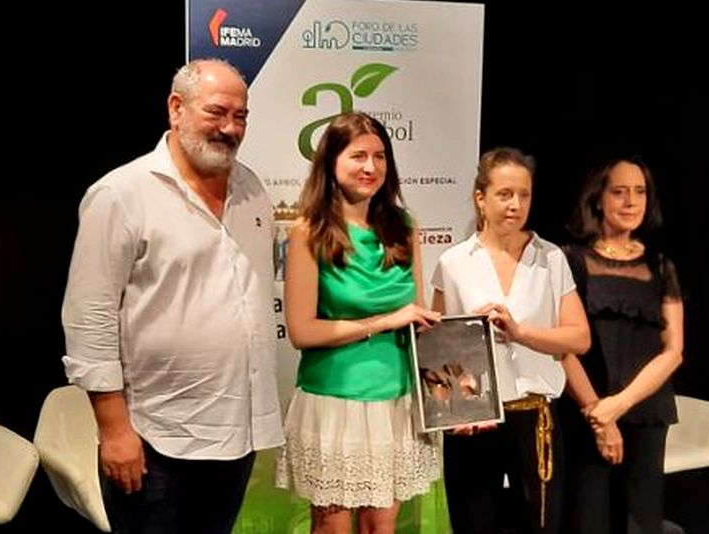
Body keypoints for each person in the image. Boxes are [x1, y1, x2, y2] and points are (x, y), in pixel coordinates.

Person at [61, 59, 283, 534]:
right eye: (216, 112)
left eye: (240, 116)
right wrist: (114, 431)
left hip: (236, 436)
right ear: (176, 108)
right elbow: (89, 317)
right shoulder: (121, 194)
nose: (229, 128)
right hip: (155, 439)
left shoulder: (252, 189)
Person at [274, 111, 441, 534]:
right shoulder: (308, 232)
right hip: (334, 402)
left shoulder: (404, 227)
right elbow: (302, 331)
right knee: (332, 528)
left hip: (396, 401)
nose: (371, 167)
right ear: (331, 162)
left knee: (380, 527)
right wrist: (385, 321)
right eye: (358, 156)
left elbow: (416, 317)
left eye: (380, 156)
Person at [431, 147, 591, 534]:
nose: (515, 205)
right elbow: (437, 348)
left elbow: (579, 338)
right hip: (475, 417)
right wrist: (449, 410)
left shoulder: (550, 258)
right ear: (480, 198)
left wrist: (520, 332)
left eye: (524, 195)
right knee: (473, 522)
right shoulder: (454, 262)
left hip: (534, 413)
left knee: (541, 525)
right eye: (504, 194)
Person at [559, 156, 684, 534]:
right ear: (598, 198)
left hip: (646, 413)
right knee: (586, 520)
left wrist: (618, 405)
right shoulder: (569, 260)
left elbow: (673, 351)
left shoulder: (660, 266)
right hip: (585, 411)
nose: (631, 202)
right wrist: (600, 415)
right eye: (619, 192)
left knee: (640, 522)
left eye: (640, 192)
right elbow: (562, 347)